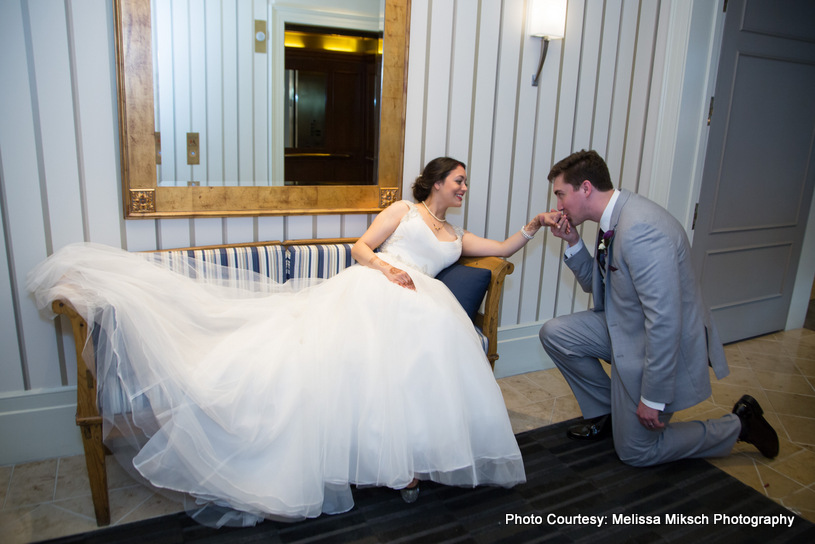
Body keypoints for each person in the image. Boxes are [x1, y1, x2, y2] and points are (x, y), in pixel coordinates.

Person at [28, 157, 558, 526]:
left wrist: (533, 225)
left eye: (466, 183)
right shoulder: (404, 211)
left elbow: (506, 246)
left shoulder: (458, 237)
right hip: (376, 285)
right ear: (437, 182)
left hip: (422, 305)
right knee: (325, 358)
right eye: (459, 181)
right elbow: (359, 246)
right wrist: (386, 269)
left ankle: (407, 464)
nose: (464, 188)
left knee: (419, 363)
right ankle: (368, 462)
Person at [538, 149, 779, 467]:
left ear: (585, 188)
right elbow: (598, 286)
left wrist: (653, 397)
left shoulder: (640, 229)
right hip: (627, 329)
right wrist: (573, 243)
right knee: (556, 333)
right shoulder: (612, 219)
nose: (558, 206)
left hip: (663, 347)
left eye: (560, 194)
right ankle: (613, 414)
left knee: (636, 452)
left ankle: (738, 426)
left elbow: (666, 321)